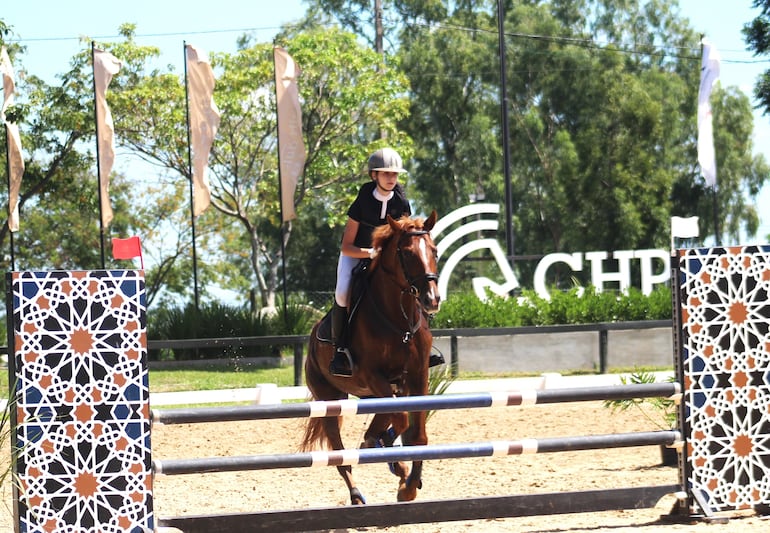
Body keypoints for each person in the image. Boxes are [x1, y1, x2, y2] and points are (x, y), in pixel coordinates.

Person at [328, 147, 412, 377]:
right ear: (374, 175)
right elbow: (346, 246)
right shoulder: (363, 202)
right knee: (343, 293)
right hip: (356, 255)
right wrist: (369, 253)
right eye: (385, 173)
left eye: (394, 174)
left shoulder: (402, 204)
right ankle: (340, 349)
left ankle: (419, 342)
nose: (391, 178)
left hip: (386, 261)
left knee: (413, 286)